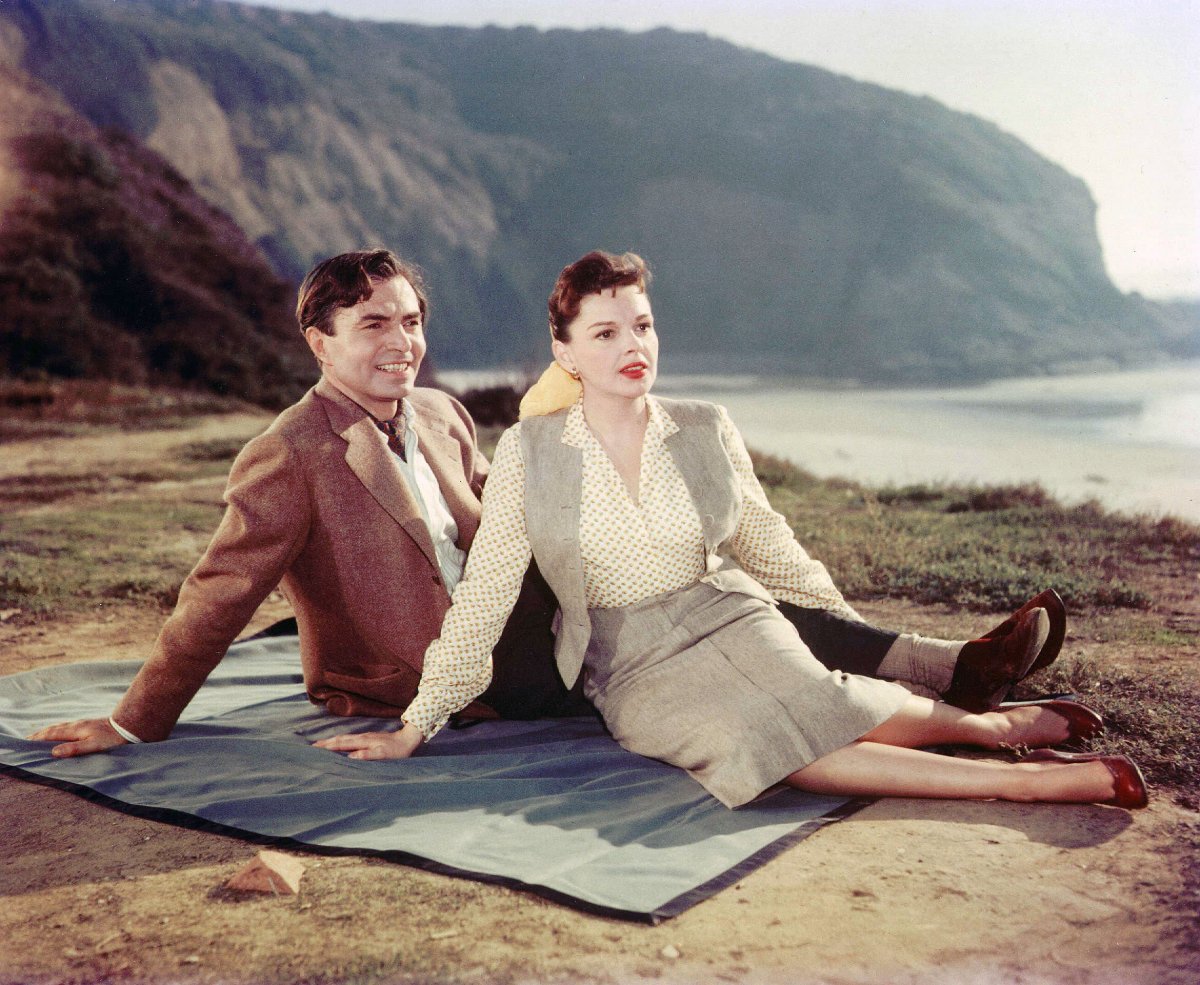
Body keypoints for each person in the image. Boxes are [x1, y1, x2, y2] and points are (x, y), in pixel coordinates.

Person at [30, 249, 1064, 758]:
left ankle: (950, 669)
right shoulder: (287, 453)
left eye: (411, 320)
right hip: (434, 663)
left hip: (520, 610)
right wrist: (133, 721)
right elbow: (216, 595)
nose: (402, 342)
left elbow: (505, 521)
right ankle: (950, 690)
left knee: (701, 589)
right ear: (320, 342)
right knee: (691, 627)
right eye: (373, 325)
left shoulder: (438, 412)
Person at [317, 250, 1146, 812]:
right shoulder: (531, 452)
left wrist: (845, 625)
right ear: (565, 353)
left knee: (823, 699)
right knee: (760, 742)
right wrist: (417, 723)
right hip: (625, 657)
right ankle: (1019, 770)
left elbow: (770, 545)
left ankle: (988, 727)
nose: (633, 346)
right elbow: (488, 593)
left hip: (727, 609)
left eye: (642, 325)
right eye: (605, 332)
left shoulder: (705, 425)